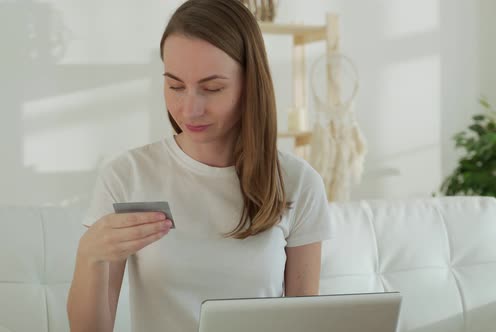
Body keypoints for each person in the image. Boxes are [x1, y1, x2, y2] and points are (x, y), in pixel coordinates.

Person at [66, 0, 333, 331]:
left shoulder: (297, 182)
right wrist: (89, 255)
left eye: (212, 88)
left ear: (251, 84)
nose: (189, 110)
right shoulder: (127, 175)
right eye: (175, 86)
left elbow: (305, 322)